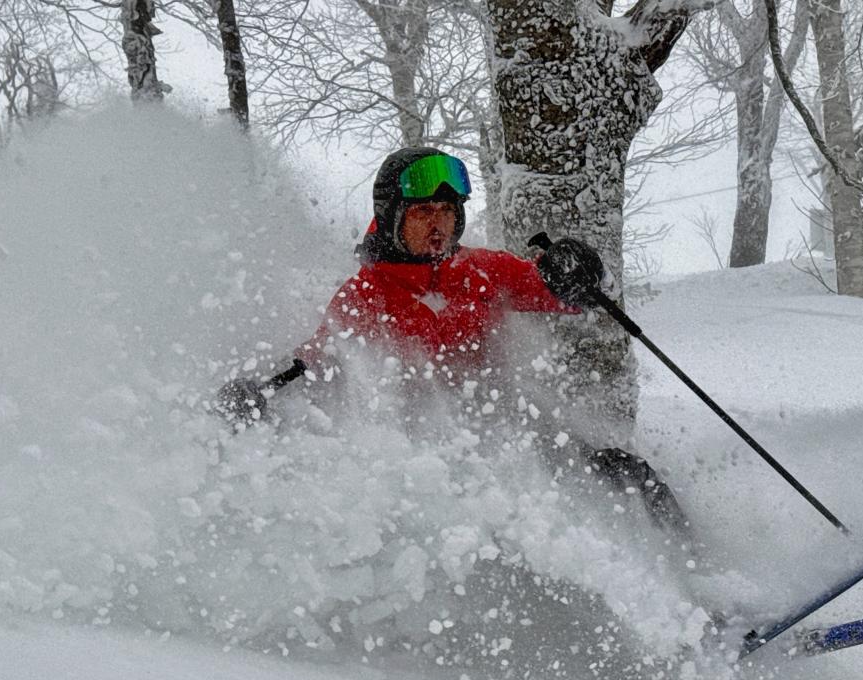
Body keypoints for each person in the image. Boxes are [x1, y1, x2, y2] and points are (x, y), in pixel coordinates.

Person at [214, 146, 690, 538]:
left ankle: (697, 581)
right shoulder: (366, 295)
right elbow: (320, 356)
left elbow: (561, 291)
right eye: (423, 211)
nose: (437, 224)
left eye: (447, 210)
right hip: (428, 458)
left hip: (510, 427)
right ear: (392, 216)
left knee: (626, 474)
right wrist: (267, 386)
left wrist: (577, 274)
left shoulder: (483, 270)